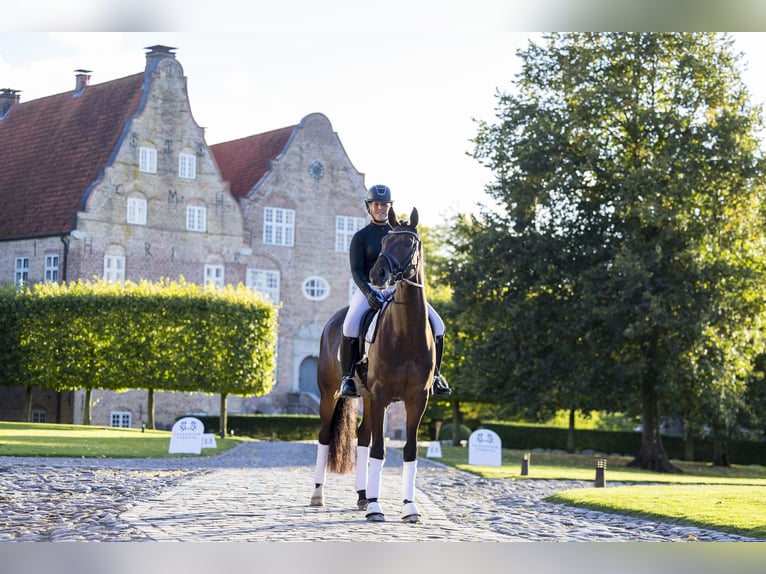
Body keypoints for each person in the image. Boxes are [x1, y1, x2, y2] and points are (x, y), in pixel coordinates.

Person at [339, 184, 452, 398]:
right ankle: (347, 379)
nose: (380, 208)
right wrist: (369, 293)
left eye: (384, 204)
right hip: (369, 289)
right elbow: (356, 270)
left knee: (438, 325)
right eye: (376, 204)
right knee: (349, 326)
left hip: (397, 290)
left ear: (390, 207)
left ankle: (435, 376)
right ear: (369, 207)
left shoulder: (399, 234)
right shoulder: (361, 237)